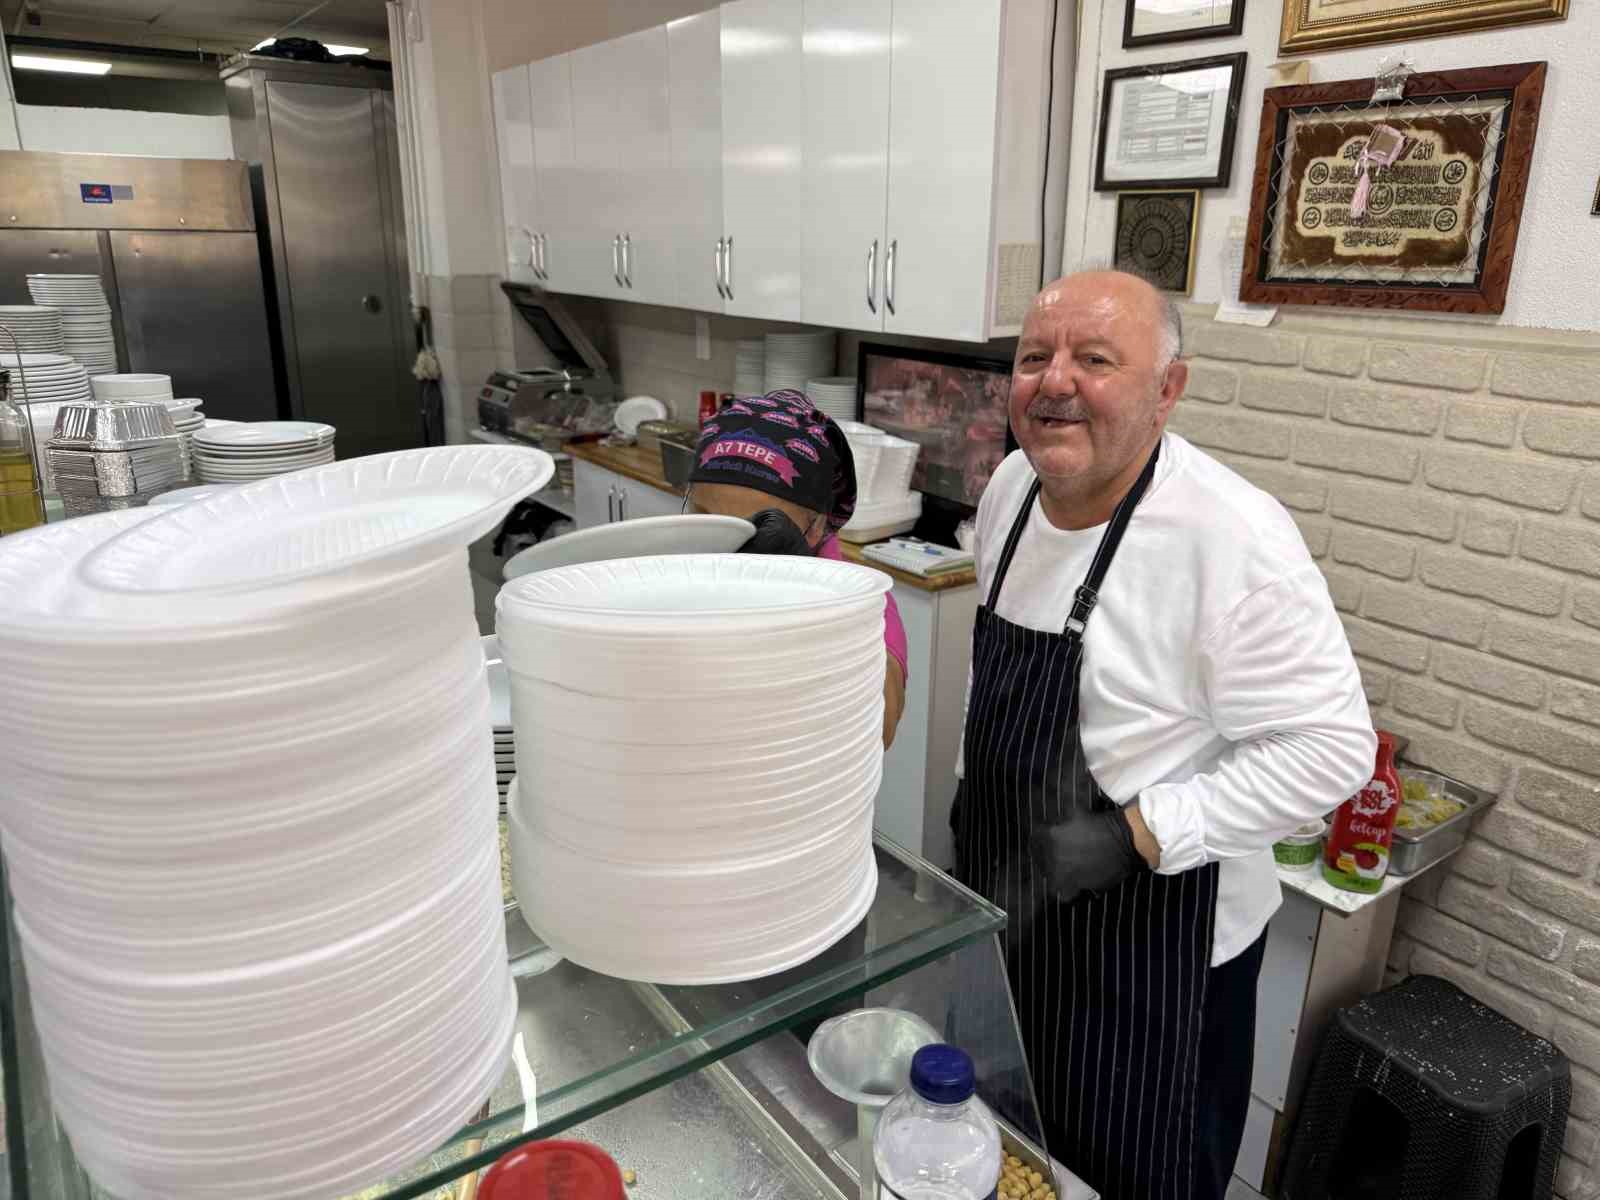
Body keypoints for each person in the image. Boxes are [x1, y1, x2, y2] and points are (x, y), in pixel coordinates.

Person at [951, 271, 1374, 1200]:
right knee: (1005, 1145)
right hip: (1013, 909)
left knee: (1137, 1176)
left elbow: (1334, 748)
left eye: (1095, 359)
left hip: (1158, 963)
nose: (1053, 381)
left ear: (1167, 390)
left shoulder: (1233, 539)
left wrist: (1139, 833)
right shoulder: (1013, 490)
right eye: (1033, 358)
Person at [684, 388, 908, 748]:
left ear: (816, 525)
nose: (723, 549)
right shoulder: (684, 571)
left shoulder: (864, 601)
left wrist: (810, 594)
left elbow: (879, 729)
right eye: (705, 516)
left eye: (751, 527)